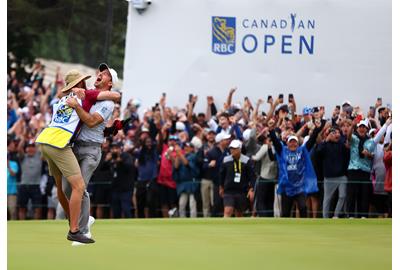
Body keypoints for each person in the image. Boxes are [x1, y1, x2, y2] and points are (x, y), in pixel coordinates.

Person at [35, 69, 119, 243]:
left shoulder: (65, 98)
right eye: (83, 81)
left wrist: (74, 93)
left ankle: (80, 227)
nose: (95, 77)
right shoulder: (85, 95)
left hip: (51, 141)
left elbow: (108, 103)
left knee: (69, 188)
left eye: (105, 74)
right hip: (62, 144)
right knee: (75, 188)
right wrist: (80, 94)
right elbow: (115, 95)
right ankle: (77, 225)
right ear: (78, 84)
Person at [62, 63, 119, 241]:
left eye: (106, 73)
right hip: (75, 147)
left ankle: (83, 228)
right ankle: (86, 220)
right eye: (100, 71)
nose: (100, 74)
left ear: (110, 83)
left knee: (79, 187)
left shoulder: (108, 103)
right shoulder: (90, 96)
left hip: (91, 151)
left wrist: (77, 105)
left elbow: (92, 122)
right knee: (66, 188)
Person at [268, 121, 323, 218]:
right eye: (291, 142)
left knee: (302, 208)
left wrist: (317, 129)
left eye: (295, 142)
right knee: (285, 212)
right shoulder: (282, 151)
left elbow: (311, 141)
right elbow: (276, 142)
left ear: (297, 143)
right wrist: (271, 130)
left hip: (299, 187)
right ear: (287, 143)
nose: (293, 144)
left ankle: (303, 228)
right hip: (287, 187)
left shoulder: (302, 151)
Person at [315, 126, 349, 218]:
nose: (336, 135)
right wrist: (326, 140)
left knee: (342, 196)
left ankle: (336, 215)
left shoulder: (341, 144)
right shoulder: (324, 144)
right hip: (329, 177)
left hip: (342, 176)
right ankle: (325, 218)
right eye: (333, 133)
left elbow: (347, 151)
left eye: (337, 133)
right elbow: (318, 152)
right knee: (327, 199)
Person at [346, 120, 375, 218]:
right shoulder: (354, 137)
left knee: (364, 194)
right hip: (353, 169)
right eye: (360, 127)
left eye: (364, 127)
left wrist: (368, 154)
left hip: (365, 170)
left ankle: (363, 216)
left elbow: (372, 156)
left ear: (367, 129)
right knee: (352, 193)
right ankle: (350, 215)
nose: (362, 129)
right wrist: (352, 126)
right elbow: (348, 137)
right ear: (357, 128)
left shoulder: (370, 141)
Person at [219, 140, 255, 217]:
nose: (232, 150)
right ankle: (224, 228)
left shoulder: (247, 160)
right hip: (229, 190)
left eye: (235, 148)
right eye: (231, 148)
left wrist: (251, 189)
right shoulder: (226, 160)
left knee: (239, 213)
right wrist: (221, 187)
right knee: (228, 211)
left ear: (240, 149)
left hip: (242, 191)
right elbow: (222, 175)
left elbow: (252, 176)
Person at [203, 132, 231, 216]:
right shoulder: (211, 152)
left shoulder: (229, 151)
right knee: (217, 203)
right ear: (220, 141)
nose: (228, 141)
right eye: (226, 140)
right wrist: (209, 164)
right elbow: (204, 166)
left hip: (227, 182)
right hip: (216, 182)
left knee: (227, 203)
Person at [105, 142, 135, 218]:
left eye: (116, 148)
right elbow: (102, 168)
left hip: (126, 189)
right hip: (115, 188)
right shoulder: (111, 157)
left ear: (120, 148)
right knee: (116, 210)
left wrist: (120, 161)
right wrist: (106, 160)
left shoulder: (126, 156)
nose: (115, 150)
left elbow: (130, 167)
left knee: (126, 209)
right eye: (113, 148)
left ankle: (130, 226)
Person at [251, 135, 278, 217]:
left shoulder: (265, 147)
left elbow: (256, 158)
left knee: (261, 201)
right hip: (273, 177)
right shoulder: (278, 147)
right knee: (270, 200)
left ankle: (264, 217)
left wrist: (250, 157)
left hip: (264, 177)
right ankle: (270, 217)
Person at [16, 140, 43, 220]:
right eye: (29, 147)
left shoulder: (39, 156)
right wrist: (23, 138)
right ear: (26, 149)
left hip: (36, 186)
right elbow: (19, 148)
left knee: (38, 208)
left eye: (32, 147)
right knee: (22, 207)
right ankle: (21, 226)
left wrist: (36, 139)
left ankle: (36, 226)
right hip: (24, 186)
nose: (30, 149)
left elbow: (41, 148)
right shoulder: (23, 157)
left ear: (35, 149)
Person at [172, 142, 200, 217]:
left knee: (192, 204)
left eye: (188, 147)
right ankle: (182, 220)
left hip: (192, 182)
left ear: (192, 148)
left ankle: (193, 220)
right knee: (181, 204)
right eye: (185, 147)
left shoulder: (194, 156)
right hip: (183, 183)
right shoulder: (181, 156)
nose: (186, 148)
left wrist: (179, 154)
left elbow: (186, 163)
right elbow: (176, 166)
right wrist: (178, 155)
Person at [134, 137, 158, 218]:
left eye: (150, 142)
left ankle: (153, 218)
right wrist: (139, 144)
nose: (149, 143)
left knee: (151, 201)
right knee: (140, 201)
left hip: (152, 179)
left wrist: (153, 178)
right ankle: (141, 218)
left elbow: (160, 143)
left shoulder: (154, 153)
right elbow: (132, 151)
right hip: (141, 180)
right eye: (147, 142)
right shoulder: (140, 153)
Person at [197, 129, 216, 217]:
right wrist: (207, 160)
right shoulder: (202, 148)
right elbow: (198, 161)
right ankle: (206, 219)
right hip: (205, 178)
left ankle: (214, 218)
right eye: (209, 134)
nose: (211, 136)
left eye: (213, 134)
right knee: (205, 202)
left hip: (215, 179)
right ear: (206, 136)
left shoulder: (217, 147)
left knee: (214, 202)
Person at [7, 153, 19, 220]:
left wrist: (8, 166)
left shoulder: (14, 164)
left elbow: (13, 174)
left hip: (11, 192)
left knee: (12, 211)